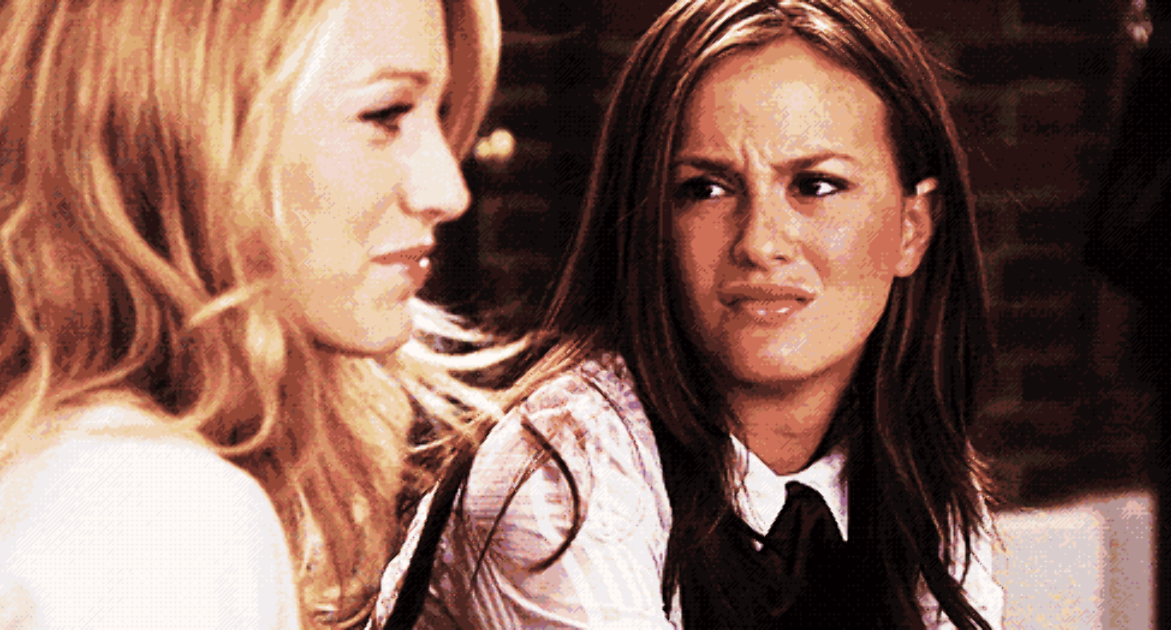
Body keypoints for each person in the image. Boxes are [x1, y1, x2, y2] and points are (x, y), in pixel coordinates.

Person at [375, 0, 1003, 628]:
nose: (760, 242)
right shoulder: (561, 473)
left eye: (814, 185)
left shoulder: (917, 474)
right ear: (650, 224)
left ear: (913, 229)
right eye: (706, 189)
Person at [0, 0, 499, 626]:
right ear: (170, 124)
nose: (448, 191)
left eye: (440, 113)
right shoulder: (153, 514)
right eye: (385, 114)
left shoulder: (72, 472)